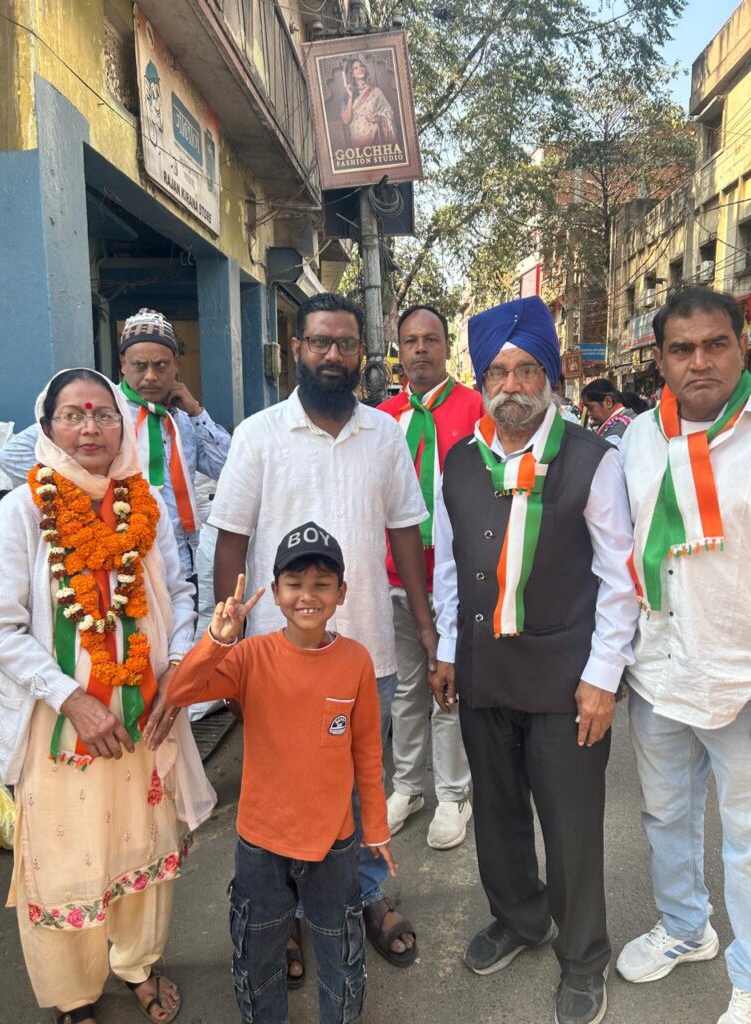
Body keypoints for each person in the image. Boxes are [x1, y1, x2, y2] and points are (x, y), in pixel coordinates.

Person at [0, 368, 215, 1024]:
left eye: (103, 414)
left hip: (145, 720)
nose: (90, 428)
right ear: (47, 427)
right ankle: (75, 996)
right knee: (64, 863)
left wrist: (176, 670)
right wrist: (72, 699)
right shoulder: (23, 510)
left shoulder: (146, 503)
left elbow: (183, 592)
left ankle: (137, 963)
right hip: (58, 729)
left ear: (121, 425)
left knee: (142, 847)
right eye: (73, 415)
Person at [210, 292, 433, 974]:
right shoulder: (258, 435)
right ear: (297, 349)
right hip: (278, 658)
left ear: (363, 352)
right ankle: (288, 915)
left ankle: (362, 895)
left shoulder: (385, 435)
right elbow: (231, 542)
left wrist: (426, 627)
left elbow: (405, 533)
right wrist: (228, 652)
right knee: (283, 790)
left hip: (367, 651)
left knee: (364, 781)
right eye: (319, 342)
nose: (332, 355)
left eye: (345, 343)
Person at [432, 296, 639, 1024]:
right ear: (482, 380)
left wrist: (603, 679)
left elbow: (620, 579)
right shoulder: (460, 461)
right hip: (484, 670)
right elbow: (449, 565)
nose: (512, 386)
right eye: (498, 372)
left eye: (527, 371)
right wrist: (448, 650)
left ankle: (583, 957)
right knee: (496, 814)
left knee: (571, 824)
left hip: (566, 680)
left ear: (550, 378)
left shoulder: (592, 460)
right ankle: (520, 919)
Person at [167, 524, 395, 1024]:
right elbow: (181, 691)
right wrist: (217, 640)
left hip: (334, 840)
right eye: (294, 583)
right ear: (274, 592)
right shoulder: (250, 656)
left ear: (341, 593)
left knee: (341, 950)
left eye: (321, 584)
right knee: (258, 951)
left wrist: (375, 827)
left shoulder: (356, 661)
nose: (307, 596)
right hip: (261, 840)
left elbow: (367, 752)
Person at [616, 288, 751, 1024]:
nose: (700, 361)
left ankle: (750, 978)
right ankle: (684, 927)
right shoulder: (637, 439)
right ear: (661, 359)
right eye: (682, 349)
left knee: (747, 842)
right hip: (660, 671)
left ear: (741, 345)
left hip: (742, 674)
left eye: (716, 344)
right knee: (665, 816)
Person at [0, 309, 231, 592]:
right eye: (139, 366)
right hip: (121, 559)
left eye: (161, 365)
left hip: (179, 559)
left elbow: (227, 468)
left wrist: (196, 412)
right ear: (122, 364)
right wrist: (74, 484)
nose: (151, 376)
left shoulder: (182, 419)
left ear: (176, 364)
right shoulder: (104, 414)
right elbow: (9, 457)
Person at [377, 304, 482, 849]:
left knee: (449, 687)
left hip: (454, 580)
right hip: (394, 578)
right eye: (411, 340)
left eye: (432, 339)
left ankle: (454, 794)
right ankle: (407, 787)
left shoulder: (476, 409)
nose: (421, 348)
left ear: (446, 347)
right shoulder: (381, 417)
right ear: (399, 350)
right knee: (405, 690)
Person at [341, 56, 396, 147]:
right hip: (358, 141)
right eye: (356, 68)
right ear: (351, 73)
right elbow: (346, 120)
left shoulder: (376, 91)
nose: (360, 69)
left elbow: (389, 111)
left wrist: (376, 118)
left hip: (376, 139)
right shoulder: (346, 95)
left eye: (361, 66)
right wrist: (350, 97)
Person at [579, 378, 637, 447]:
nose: (588, 413)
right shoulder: (631, 419)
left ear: (608, 402)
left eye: (591, 408)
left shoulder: (616, 434)